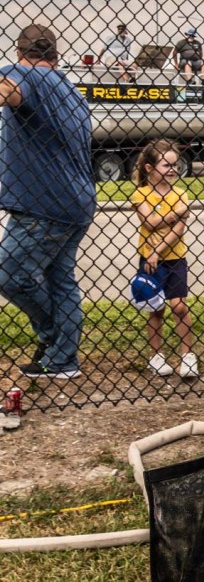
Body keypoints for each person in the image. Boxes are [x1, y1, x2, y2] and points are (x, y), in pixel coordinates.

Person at [0, 24, 97, 379]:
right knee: (61, 280)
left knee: (9, 274)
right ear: (55, 55)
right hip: (77, 201)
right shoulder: (70, 90)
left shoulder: (22, 73)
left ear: (18, 52)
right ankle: (62, 360)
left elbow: (9, 89)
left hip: (43, 206)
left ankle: (54, 338)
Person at [130, 139, 198, 379]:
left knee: (179, 306)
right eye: (166, 165)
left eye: (175, 165)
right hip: (149, 261)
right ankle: (156, 356)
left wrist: (157, 251)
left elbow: (177, 230)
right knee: (156, 308)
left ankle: (188, 355)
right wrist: (176, 213)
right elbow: (149, 222)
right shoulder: (141, 194)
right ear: (149, 168)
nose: (173, 170)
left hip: (174, 258)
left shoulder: (180, 194)